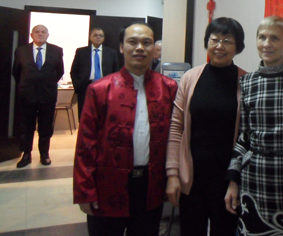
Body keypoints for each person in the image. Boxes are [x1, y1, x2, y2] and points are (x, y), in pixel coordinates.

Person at [73, 23, 178, 236]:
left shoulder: (168, 88)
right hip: (107, 185)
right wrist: (84, 190)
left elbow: (175, 138)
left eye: (146, 43)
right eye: (133, 42)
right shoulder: (100, 89)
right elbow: (85, 144)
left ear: (154, 48)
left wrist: (172, 177)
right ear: (121, 47)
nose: (140, 48)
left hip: (151, 187)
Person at [225, 16, 283, 235]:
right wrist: (233, 180)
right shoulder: (247, 82)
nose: (266, 44)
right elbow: (244, 136)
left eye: (275, 38)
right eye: (261, 37)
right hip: (254, 177)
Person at [166, 17, 246, 236]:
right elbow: (176, 128)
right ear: (207, 42)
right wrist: (172, 174)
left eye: (227, 41)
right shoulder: (190, 78)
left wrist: (236, 179)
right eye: (214, 39)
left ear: (238, 46)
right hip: (192, 177)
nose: (220, 46)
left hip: (227, 179)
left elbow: (246, 136)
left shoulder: (246, 81)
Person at [12, 25, 64, 168]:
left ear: (48, 35)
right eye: (37, 32)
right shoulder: (21, 50)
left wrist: (46, 83)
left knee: (46, 126)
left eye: (43, 32)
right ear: (31, 35)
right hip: (27, 95)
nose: (40, 34)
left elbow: (60, 71)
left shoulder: (57, 50)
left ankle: (44, 154)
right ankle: (26, 155)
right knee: (26, 126)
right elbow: (16, 71)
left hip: (47, 95)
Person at [70, 27, 120, 120]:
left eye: (101, 35)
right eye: (95, 35)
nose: (98, 37)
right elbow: (74, 71)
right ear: (90, 37)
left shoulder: (111, 52)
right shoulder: (81, 52)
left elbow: (116, 72)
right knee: (85, 116)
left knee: (104, 116)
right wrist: (77, 86)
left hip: (105, 88)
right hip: (86, 87)